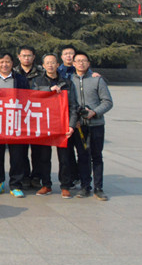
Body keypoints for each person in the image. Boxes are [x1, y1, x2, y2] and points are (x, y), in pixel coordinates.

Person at [0, 52, 29, 198]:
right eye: (2, 61)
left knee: (18, 155)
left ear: (12, 63)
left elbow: (29, 99)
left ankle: (16, 184)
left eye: (8, 62)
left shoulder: (21, 80)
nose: (5, 64)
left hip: (16, 123)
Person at [31, 53, 76, 197]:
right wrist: (48, 92)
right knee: (44, 157)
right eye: (47, 63)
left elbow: (73, 105)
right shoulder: (38, 82)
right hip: (45, 124)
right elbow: (33, 99)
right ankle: (46, 185)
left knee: (65, 158)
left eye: (53, 62)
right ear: (43, 66)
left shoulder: (67, 83)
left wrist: (72, 125)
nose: (50, 65)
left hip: (62, 124)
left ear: (58, 64)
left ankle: (65, 185)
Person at [71, 51, 113, 201]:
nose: (81, 63)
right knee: (82, 156)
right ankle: (84, 187)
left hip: (96, 125)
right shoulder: (69, 80)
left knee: (96, 156)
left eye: (84, 60)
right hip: (79, 125)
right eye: (78, 61)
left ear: (88, 63)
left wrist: (94, 112)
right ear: (73, 63)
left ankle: (98, 188)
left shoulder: (97, 80)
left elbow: (108, 102)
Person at [13, 46, 44, 189]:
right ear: (18, 57)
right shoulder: (12, 73)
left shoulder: (42, 73)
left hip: (37, 115)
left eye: (29, 55)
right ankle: (24, 176)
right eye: (24, 55)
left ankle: (36, 176)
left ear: (34, 57)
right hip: (19, 116)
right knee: (21, 150)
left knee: (37, 150)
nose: (26, 58)